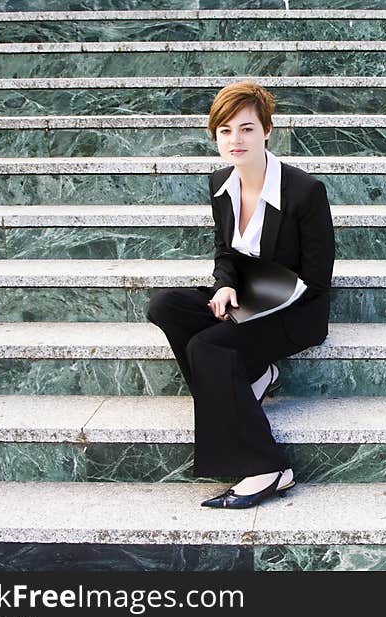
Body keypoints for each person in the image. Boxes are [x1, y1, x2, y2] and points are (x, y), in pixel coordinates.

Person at [146, 81, 335, 509]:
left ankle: (269, 468)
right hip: (244, 299)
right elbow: (225, 251)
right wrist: (224, 284)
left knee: (208, 346)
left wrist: (256, 310)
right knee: (165, 307)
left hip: (293, 312)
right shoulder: (220, 183)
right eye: (226, 131)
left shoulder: (305, 192)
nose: (236, 140)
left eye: (247, 128)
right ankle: (253, 379)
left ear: (267, 131)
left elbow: (319, 281)